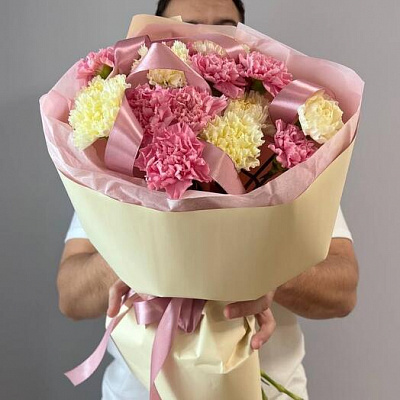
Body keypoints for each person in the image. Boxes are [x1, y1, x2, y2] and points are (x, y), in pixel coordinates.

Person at [58, 1, 359, 399]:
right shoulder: (117, 149)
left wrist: (268, 270)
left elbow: (343, 291)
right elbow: (70, 297)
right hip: (137, 390)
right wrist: (137, 257)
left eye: (224, 27)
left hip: (265, 387)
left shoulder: (285, 148)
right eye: (186, 25)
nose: (203, 38)